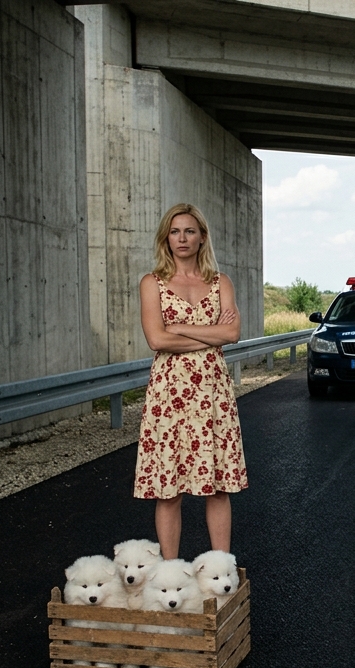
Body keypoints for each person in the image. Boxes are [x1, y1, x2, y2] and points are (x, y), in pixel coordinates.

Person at [134, 203, 247, 560]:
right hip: (170, 393)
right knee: (169, 489)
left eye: (189, 231)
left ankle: (222, 568)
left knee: (218, 486)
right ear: (166, 238)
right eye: (175, 231)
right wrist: (210, 336)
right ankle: (170, 573)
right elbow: (157, 340)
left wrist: (180, 327)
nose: (182, 238)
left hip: (213, 392)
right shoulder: (152, 283)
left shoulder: (220, 282)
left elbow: (232, 333)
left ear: (202, 238)